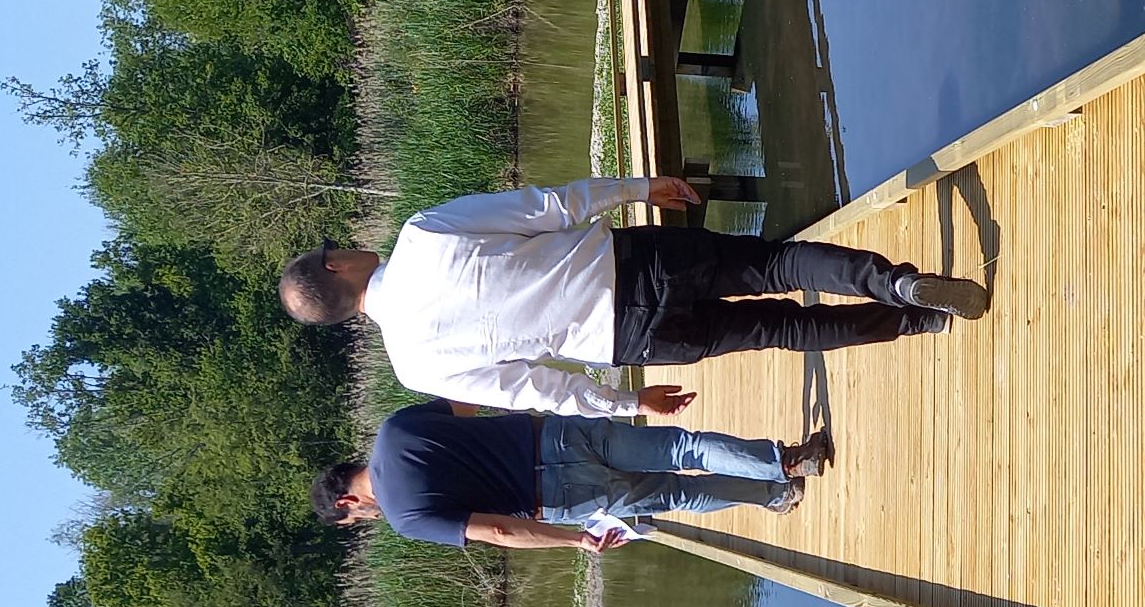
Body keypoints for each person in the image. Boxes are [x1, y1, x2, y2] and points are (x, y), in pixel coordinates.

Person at [277, 175, 984, 418]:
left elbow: (534, 391)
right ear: (338, 267)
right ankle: (896, 280)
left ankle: (918, 320)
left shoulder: (414, 369)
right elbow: (547, 207)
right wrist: (637, 188)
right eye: (338, 251)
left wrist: (627, 402)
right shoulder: (423, 232)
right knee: (774, 265)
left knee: (784, 330)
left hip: (629, 343)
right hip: (629, 263)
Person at [311, 401, 837, 551]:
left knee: (680, 491)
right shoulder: (396, 428)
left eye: (356, 521)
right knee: (681, 445)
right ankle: (785, 459)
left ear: (346, 504)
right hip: (552, 436)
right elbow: (471, 404)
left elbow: (497, 530)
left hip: (556, 496)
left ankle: (777, 494)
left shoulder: (406, 518)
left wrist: (574, 541)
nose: (366, 520)